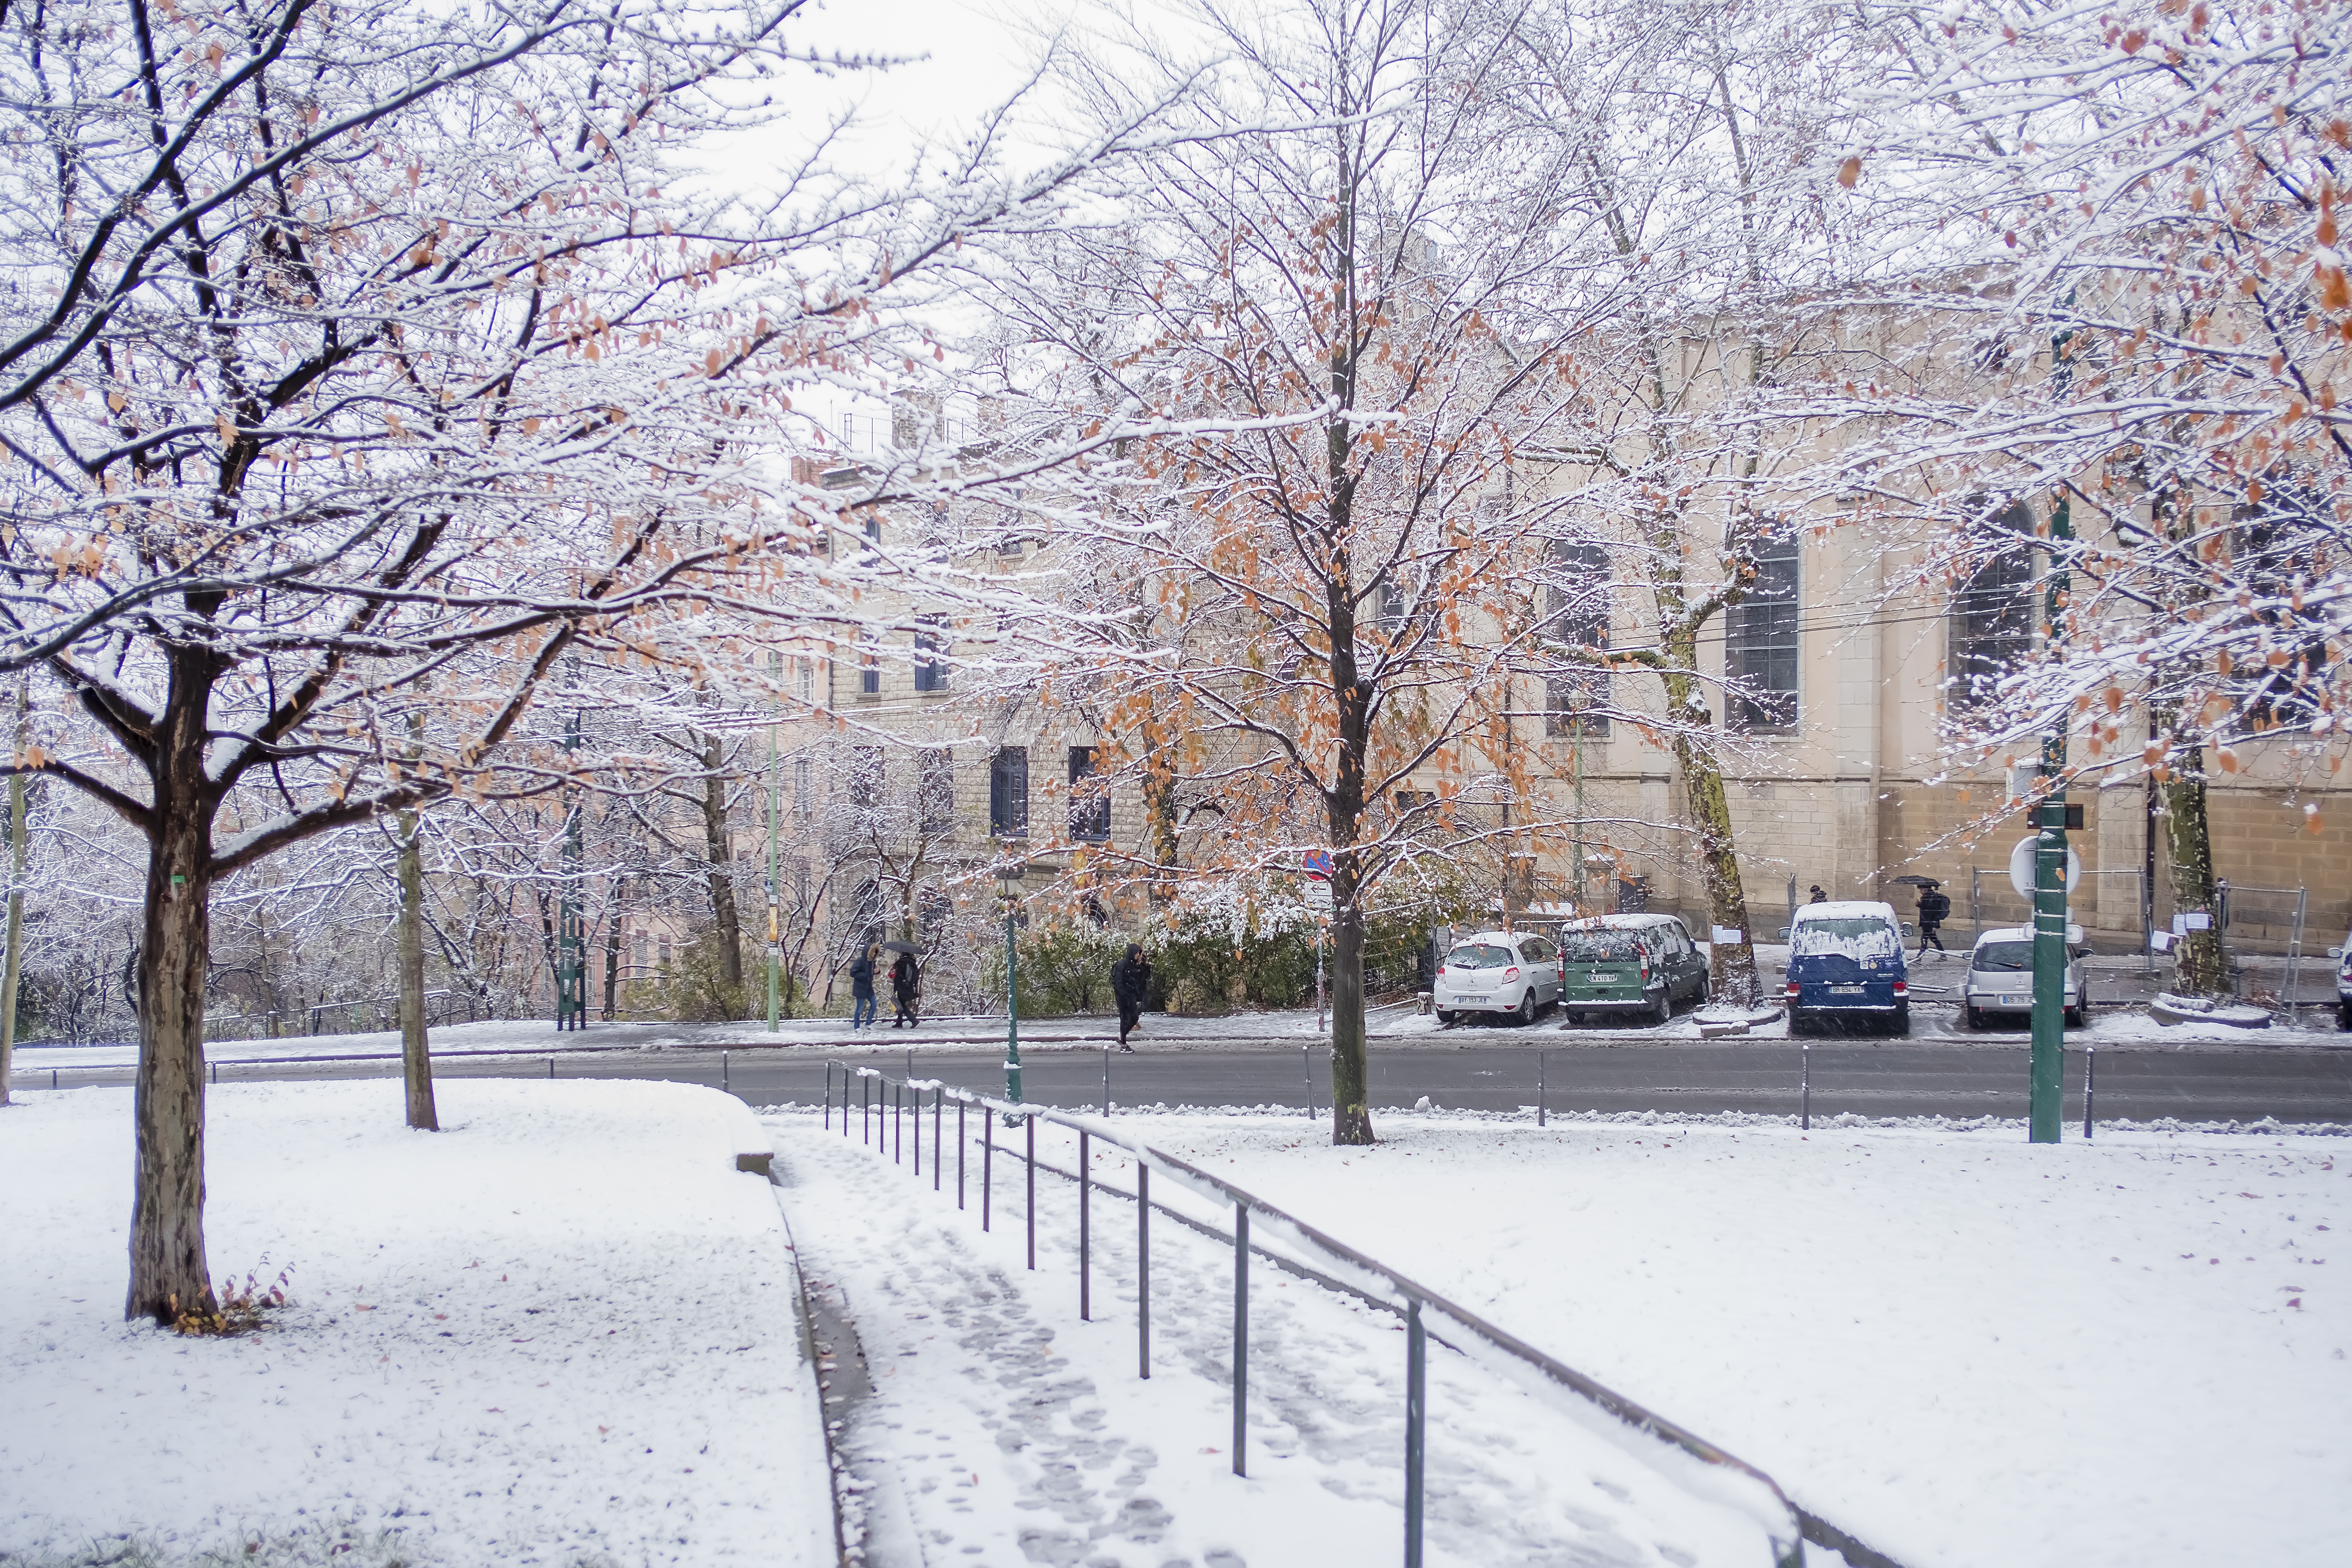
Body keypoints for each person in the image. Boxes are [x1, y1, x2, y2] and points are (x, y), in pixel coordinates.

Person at [1109, 942, 1151, 1051]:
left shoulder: (1133, 965)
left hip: (1131, 997)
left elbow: (1139, 979)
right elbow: (1119, 983)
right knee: (1125, 1019)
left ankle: (1122, 1039)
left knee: (1134, 1017)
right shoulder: (1122, 965)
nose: (1138, 955)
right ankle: (1123, 1044)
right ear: (1132, 953)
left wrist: (1144, 967)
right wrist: (1124, 995)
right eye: (1137, 953)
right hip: (1124, 998)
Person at [1916, 881, 1952, 956]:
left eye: (1921, 890)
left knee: (1924, 940)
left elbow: (1933, 912)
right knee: (1934, 940)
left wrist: (1935, 925)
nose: (1920, 891)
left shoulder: (1930, 898)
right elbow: (1927, 910)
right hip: (1927, 923)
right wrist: (1919, 905)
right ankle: (1943, 956)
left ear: (1925, 890)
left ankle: (1919, 957)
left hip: (1930, 924)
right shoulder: (1927, 897)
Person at [848, 945, 878, 1029]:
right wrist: (866, 975)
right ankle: (857, 1027)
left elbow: (872, 972)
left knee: (874, 1004)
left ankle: (869, 1023)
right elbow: (853, 972)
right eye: (873, 951)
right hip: (860, 988)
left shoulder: (872, 962)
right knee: (859, 1009)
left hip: (869, 988)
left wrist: (876, 971)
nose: (875, 953)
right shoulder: (860, 961)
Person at [890, 949, 920, 1028]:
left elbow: (897, 975)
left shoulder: (901, 963)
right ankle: (899, 1022)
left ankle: (913, 1020)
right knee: (900, 1003)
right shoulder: (912, 963)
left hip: (901, 987)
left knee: (901, 1005)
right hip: (909, 987)